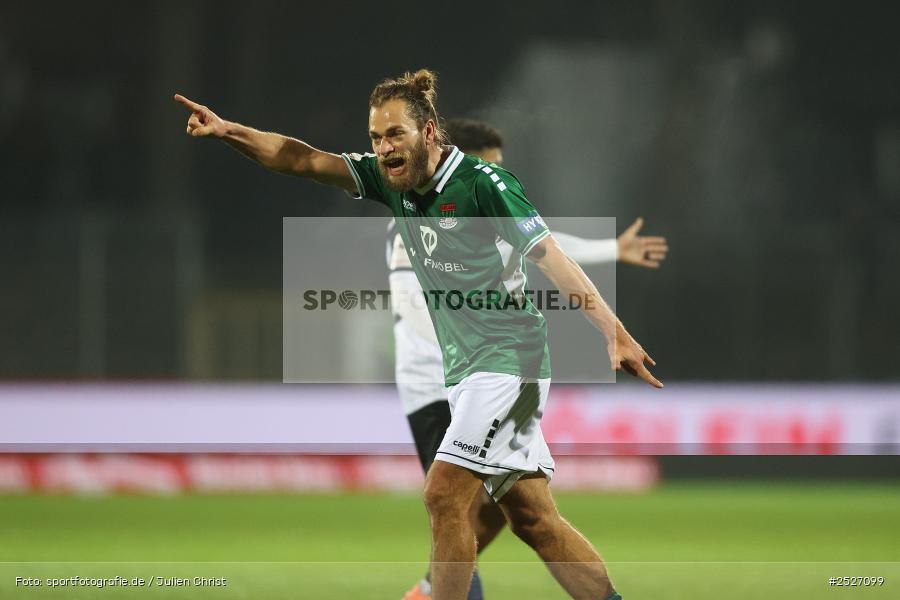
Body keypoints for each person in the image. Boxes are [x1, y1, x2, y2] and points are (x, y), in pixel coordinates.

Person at [175, 68, 662, 600]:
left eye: (395, 134)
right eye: (376, 137)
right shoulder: (392, 184)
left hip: (508, 364)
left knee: (443, 495)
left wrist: (614, 332)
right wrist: (228, 131)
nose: (384, 148)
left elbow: (551, 258)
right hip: (468, 372)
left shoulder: (484, 184)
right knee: (533, 520)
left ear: (428, 132)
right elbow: (302, 159)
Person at [392, 118, 668, 600]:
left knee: (465, 504)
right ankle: (434, 588)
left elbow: (542, 241)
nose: (498, 174)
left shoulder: (483, 202)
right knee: (503, 513)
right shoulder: (418, 219)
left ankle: (433, 589)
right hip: (434, 385)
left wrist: (610, 250)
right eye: (491, 164)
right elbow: (410, 304)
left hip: (491, 375)